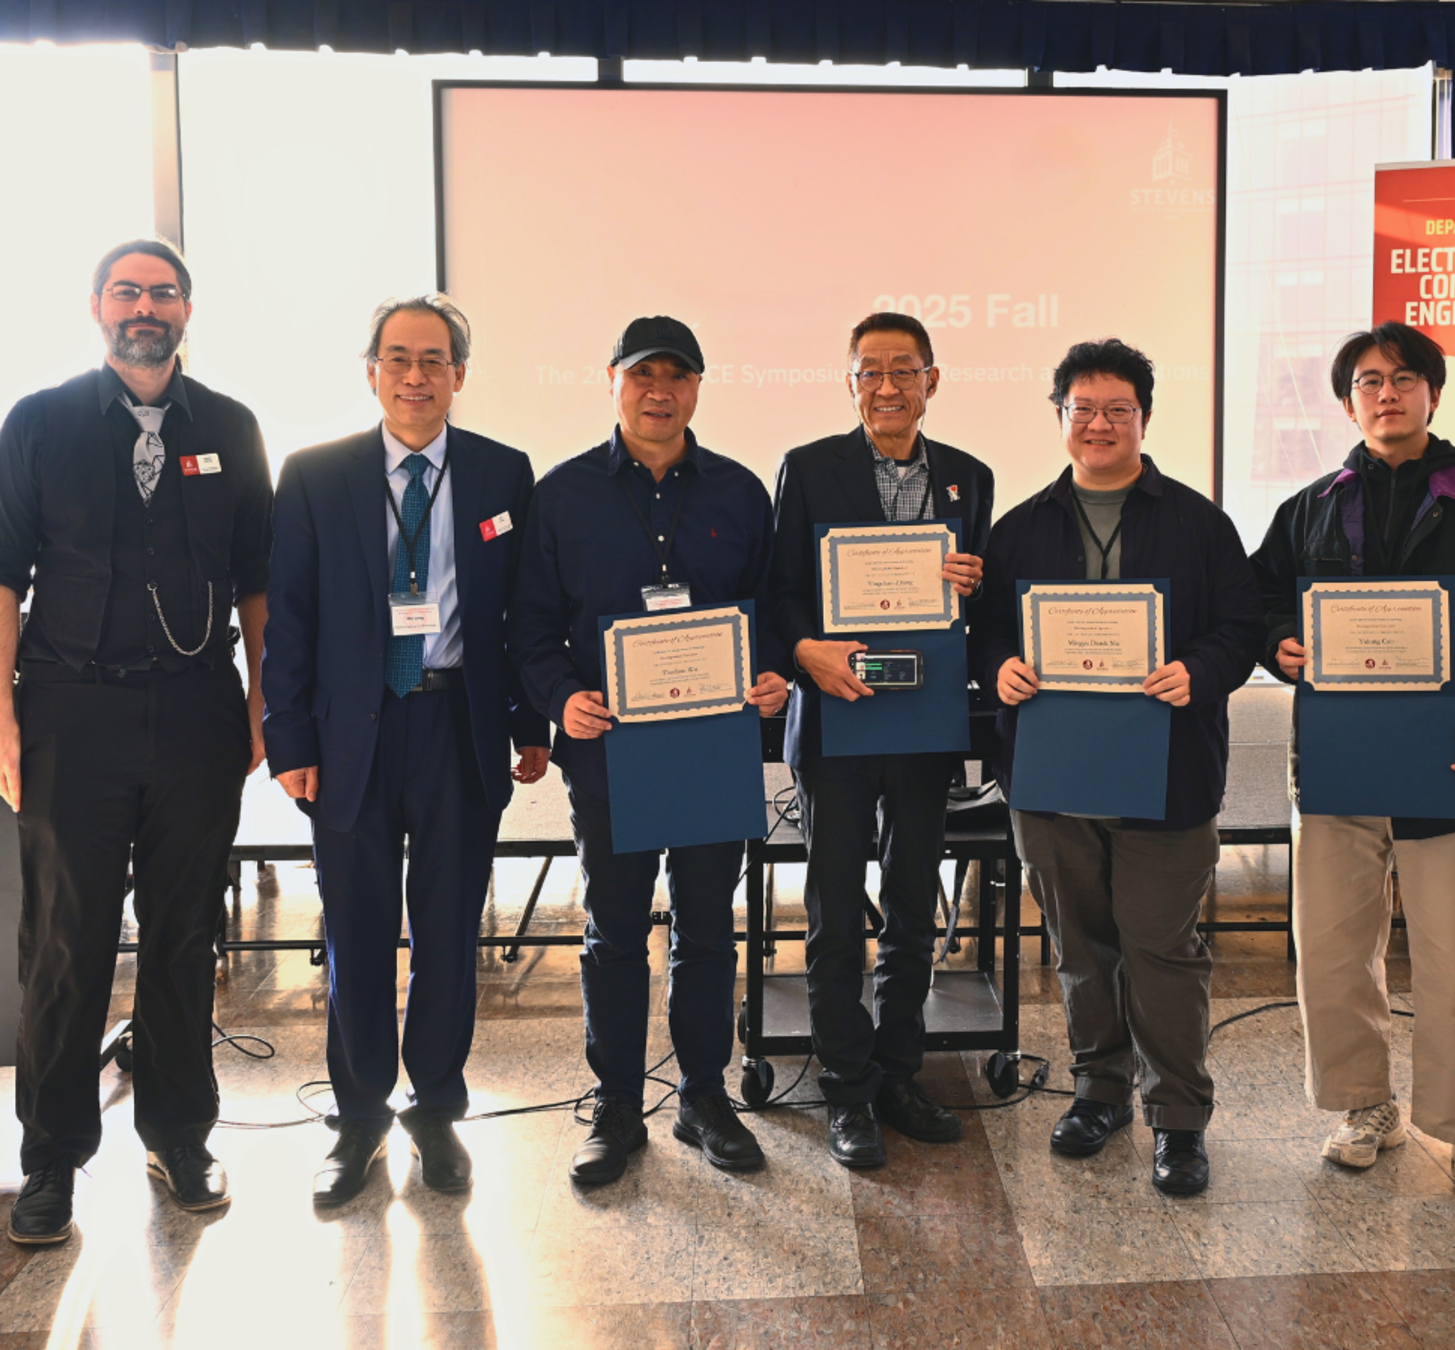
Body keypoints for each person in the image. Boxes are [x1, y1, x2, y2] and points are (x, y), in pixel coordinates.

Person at [0, 239, 272, 1244]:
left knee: (185, 935)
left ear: (190, 310)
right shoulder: (40, 423)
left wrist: (267, 704)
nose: (147, 305)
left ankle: (180, 1134)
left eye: (165, 292)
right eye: (129, 290)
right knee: (65, 942)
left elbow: (260, 582)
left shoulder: (231, 427)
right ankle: (50, 1158)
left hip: (195, 711)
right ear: (98, 305)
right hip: (71, 715)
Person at [1251, 323, 1455, 1196]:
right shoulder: (1312, 503)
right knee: (1334, 949)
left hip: (1450, 768)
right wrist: (1280, 641)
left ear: (1433, 392)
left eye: (1404, 379)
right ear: (1349, 400)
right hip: (1340, 770)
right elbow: (1263, 595)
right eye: (1369, 381)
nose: (1386, 394)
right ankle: (1364, 1106)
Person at [261, 294, 554, 1206]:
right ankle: (358, 1121)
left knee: (448, 937)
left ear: (460, 375)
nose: (417, 376)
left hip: (457, 728)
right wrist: (289, 739)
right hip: (352, 736)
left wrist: (530, 723)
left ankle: (436, 1110)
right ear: (373, 372)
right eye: (399, 359)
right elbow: (289, 620)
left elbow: (522, 614)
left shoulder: (506, 474)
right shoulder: (314, 473)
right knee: (354, 933)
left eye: (434, 360)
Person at [976, 338, 1264, 1197]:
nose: (1099, 425)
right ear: (1060, 416)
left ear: (1143, 418)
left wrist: (1199, 671)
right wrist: (999, 666)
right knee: (1080, 947)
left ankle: (1178, 1117)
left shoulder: (1199, 523)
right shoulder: (1019, 528)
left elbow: (1240, 629)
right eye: (1083, 410)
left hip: (1167, 773)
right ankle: (1099, 1090)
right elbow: (987, 631)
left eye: (1118, 411)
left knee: (1162, 948)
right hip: (1053, 777)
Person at [509, 316, 790, 1186]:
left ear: (699, 388)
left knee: (709, 932)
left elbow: (769, 613)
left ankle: (704, 1098)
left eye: (677, 375)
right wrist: (562, 701)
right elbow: (528, 626)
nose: (659, 390)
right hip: (609, 757)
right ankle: (618, 1104)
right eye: (643, 375)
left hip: (711, 754)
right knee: (614, 933)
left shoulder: (742, 493)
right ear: (612, 381)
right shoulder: (560, 495)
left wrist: (772, 675)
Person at [768, 312, 994, 1170]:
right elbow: (781, 591)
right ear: (851, 383)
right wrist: (802, 651)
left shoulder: (970, 479)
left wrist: (972, 584)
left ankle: (900, 1069)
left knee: (910, 902)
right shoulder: (809, 468)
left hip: (925, 721)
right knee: (834, 908)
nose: (888, 387)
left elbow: (972, 608)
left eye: (905, 370)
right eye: (871, 371)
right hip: (838, 716)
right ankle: (845, 1084)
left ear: (932, 381)